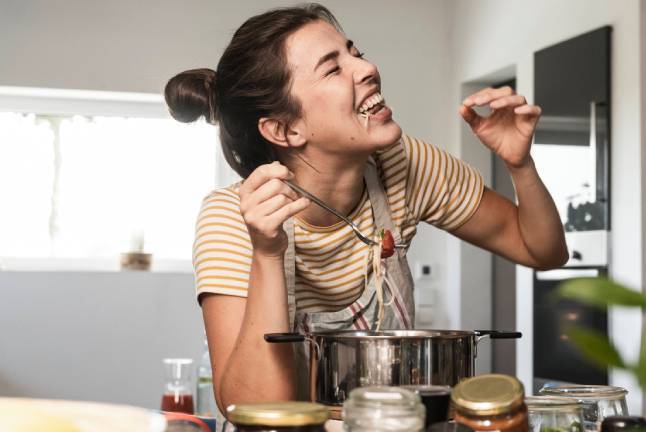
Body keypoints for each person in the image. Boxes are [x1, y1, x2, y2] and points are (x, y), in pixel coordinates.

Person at [164, 3, 568, 413]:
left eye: (353, 52)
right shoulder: (233, 218)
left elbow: (543, 251)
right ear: (285, 129)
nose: (367, 67)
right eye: (332, 68)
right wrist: (267, 254)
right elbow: (252, 409)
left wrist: (520, 165)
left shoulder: (402, 163)